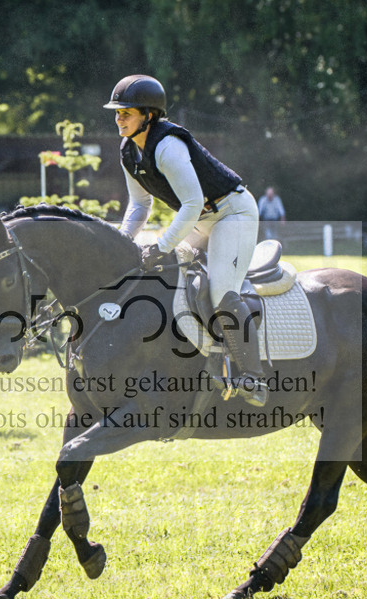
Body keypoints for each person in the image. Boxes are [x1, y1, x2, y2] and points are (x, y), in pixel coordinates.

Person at [104, 74, 267, 407]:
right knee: (167, 278)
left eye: (126, 112)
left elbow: (192, 204)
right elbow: (139, 205)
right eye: (117, 113)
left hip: (231, 215)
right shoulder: (129, 152)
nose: (119, 118)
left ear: (148, 115)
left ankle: (254, 376)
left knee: (222, 289)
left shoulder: (167, 146)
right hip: (201, 219)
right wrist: (119, 243)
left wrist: (161, 246)